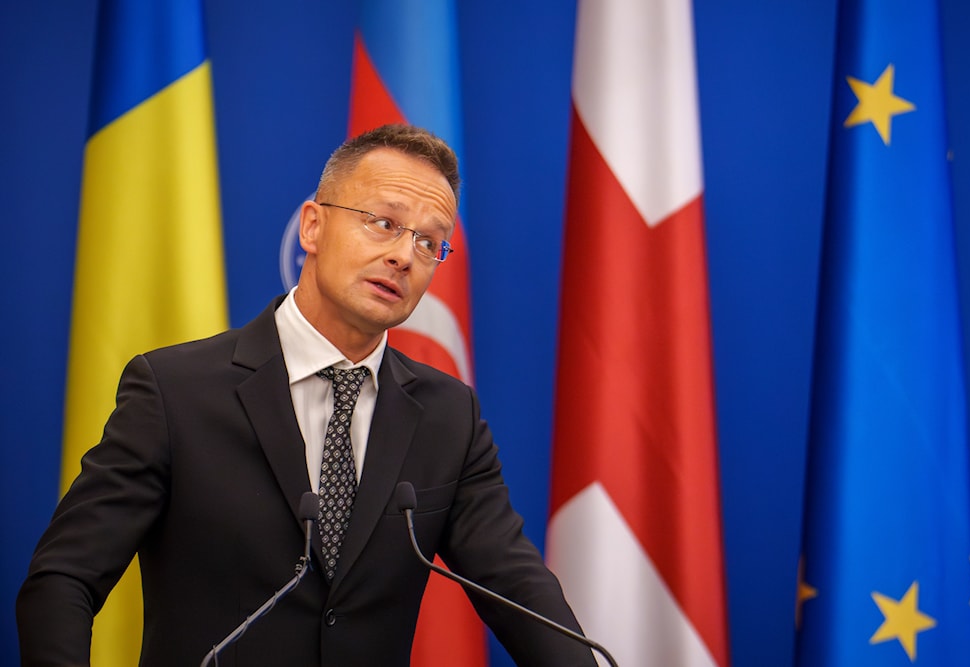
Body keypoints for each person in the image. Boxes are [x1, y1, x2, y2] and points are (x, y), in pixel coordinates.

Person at [17, 124, 598, 666]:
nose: (403, 255)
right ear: (313, 226)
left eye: (429, 243)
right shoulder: (175, 392)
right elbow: (64, 578)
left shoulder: (449, 416)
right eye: (384, 222)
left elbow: (517, 589)